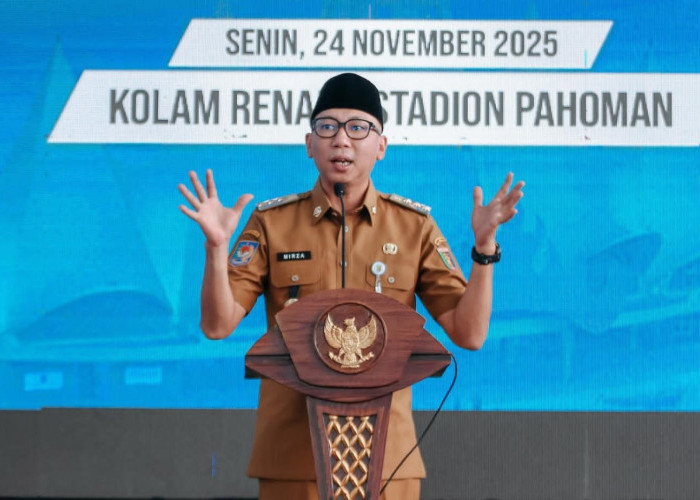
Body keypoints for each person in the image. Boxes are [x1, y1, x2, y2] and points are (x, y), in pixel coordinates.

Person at [178, 73, 524, 500]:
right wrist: (216, 249)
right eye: (328, 127)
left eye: (358, 127)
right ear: (310, 144)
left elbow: (469, 334)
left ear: (381, 146)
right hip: (294, 460)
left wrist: (484, 249)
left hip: (388, 460)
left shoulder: (413, 227)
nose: (341, 140)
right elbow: (217, 325)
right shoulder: (271, 223)